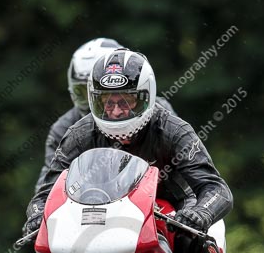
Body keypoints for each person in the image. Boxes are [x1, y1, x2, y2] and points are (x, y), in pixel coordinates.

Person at [23, 48, 237, 253]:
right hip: (109, 208)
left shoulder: (172, 129)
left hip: (175, 207)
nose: (117, 110)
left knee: (197, 249)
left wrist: (198, 213)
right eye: (108, 102)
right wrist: (36, 217)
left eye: (126, 101)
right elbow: (47, 189)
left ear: (146, 97)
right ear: (95, 102)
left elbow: (216, 188)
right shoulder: (80, 132)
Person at [33, 38, 176, 195]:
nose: (93, 102)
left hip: (157, 199)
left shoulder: (158, 111)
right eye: (82, 91)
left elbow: (187, 168)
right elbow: (48, 186)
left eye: (112, 93)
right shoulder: (64, 128)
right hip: (92, 206)